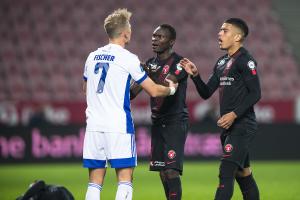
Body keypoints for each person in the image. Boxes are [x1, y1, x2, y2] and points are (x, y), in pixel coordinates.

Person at [82, 9, 178, 200]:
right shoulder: (128, 58)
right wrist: (171, 89)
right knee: (125, 179)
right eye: (130, 28)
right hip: (118, 126)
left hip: (93, 127)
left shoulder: (92, 56)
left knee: (94, 181)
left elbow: (86, 88)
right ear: (125, 33)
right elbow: (154, 90)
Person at [180, 18, 261, 200]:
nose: (219, 34)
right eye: (220, 30)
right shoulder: (222, 62)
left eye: (225, 31)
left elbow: (255, 93)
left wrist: (233, 114)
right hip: (228, 128)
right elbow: (206, 92)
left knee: (226, 173)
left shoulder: (245, 61)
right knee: (243, 175)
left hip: (242, 126)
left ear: (237, 37)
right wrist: (195, 75)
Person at [131, 24, 189, 200]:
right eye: (154, 36)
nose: (154, 40)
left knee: (171, 171)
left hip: (175, 122)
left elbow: (166, 85)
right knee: (163, 172)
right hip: (157, 123)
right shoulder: (150, 64)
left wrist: (148, 76)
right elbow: (132, 93)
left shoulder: (180, 63)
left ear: (171, 42)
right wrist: (134, 75)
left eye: (160, 37)